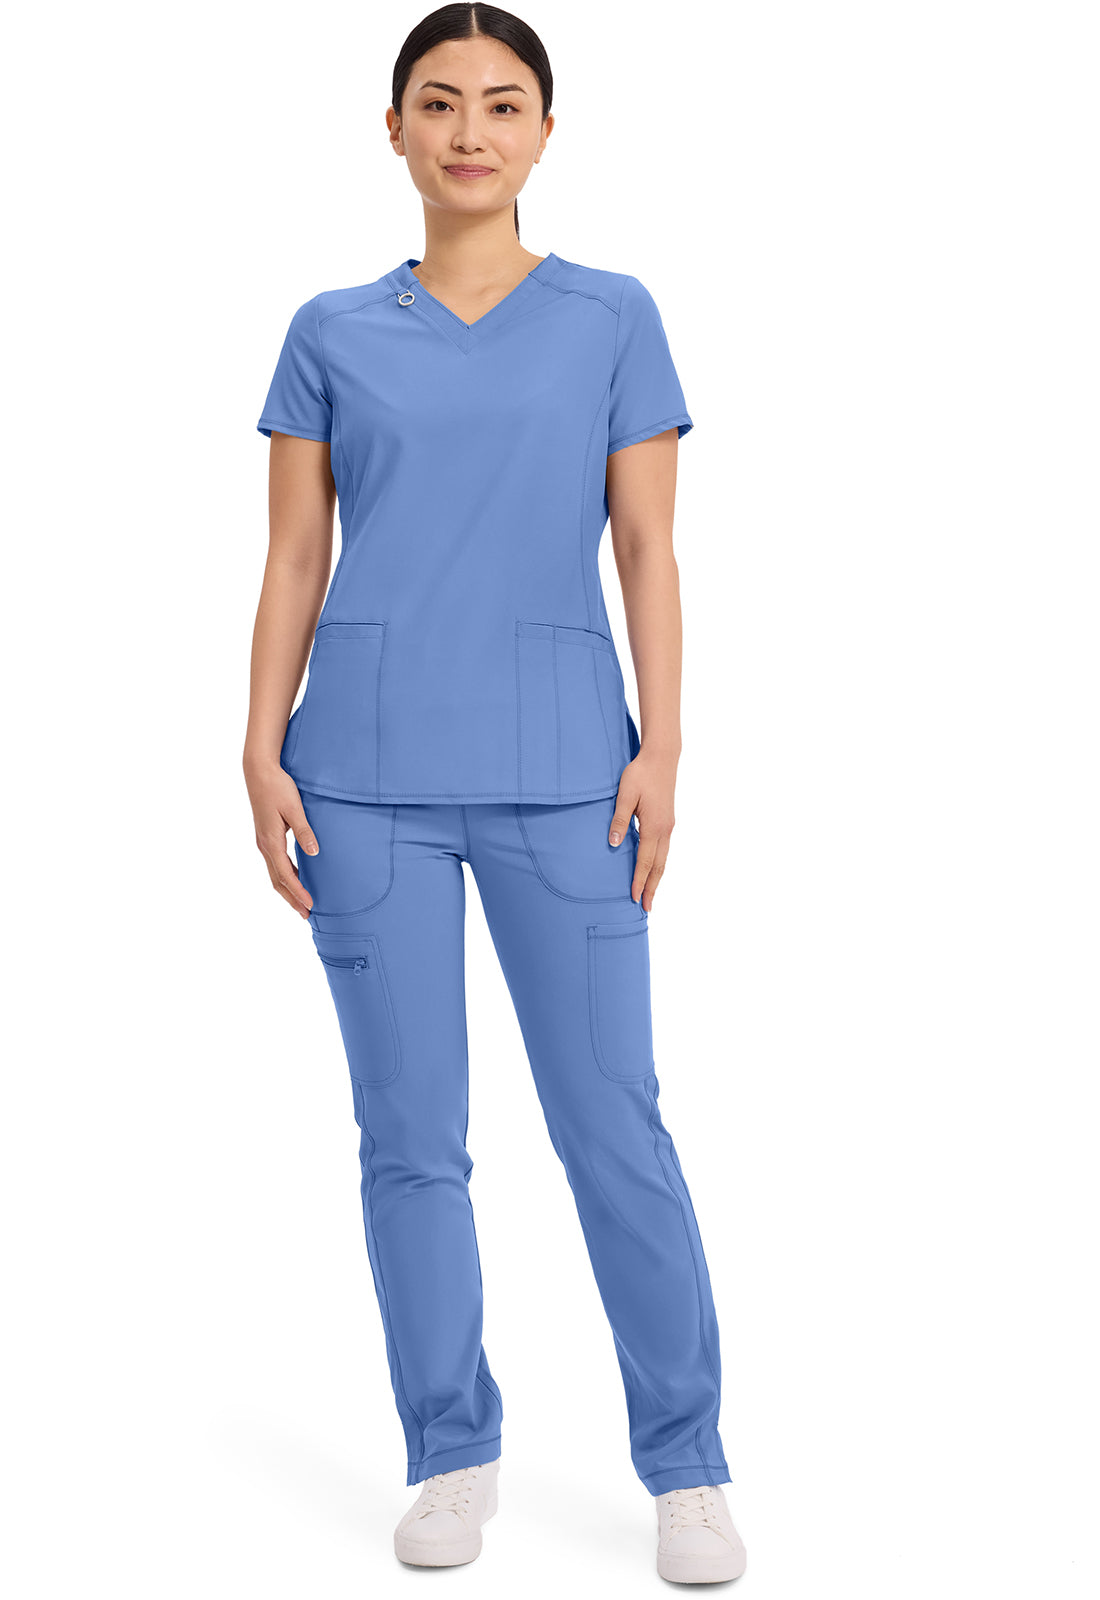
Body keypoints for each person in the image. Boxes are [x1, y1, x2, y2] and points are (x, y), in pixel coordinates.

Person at [243, 4, 747, 1584]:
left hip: (565, 780)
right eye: (441, 101)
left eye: (504, 103)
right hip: (363, 780)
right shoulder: (331, 329)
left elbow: (649, 545)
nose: (471, 130)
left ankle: (686, 1467)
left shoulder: (612, 317)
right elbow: (296, 556)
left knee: (613, 1125)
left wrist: (664, 746)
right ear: (393, 127)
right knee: (410, 1140)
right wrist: (256, 745)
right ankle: (450, 1452)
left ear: (545, 132)